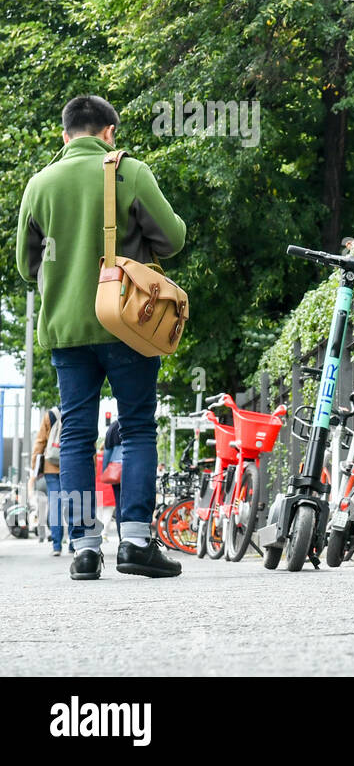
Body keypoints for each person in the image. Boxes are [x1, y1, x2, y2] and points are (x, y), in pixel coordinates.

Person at [14, 95, 187, 581]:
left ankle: (85, 548)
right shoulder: (129, 171)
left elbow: (27, 268)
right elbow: (172, 239)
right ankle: (135, 541)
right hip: (126, 322)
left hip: (66, 329)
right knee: (136, 427)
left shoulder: (39, 184)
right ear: (108, 131)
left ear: (65, 135)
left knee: (75, 435)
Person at [27, 406, 63, 555]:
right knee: (75, 501)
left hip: (50, 466)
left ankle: (56, 545)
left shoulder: (50, 415)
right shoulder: (76, 411)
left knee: (55, 504)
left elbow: (40, 442)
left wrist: (35, 467)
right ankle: (75, 542)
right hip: (72, 465)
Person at [103, 413, 124, 538]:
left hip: (116, 471)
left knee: (119, 504)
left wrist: (105, 470)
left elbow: (107, 451)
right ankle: (134, 538)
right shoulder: (135, 423)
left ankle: (122, 538)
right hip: (133, 468)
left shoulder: (114, 427)